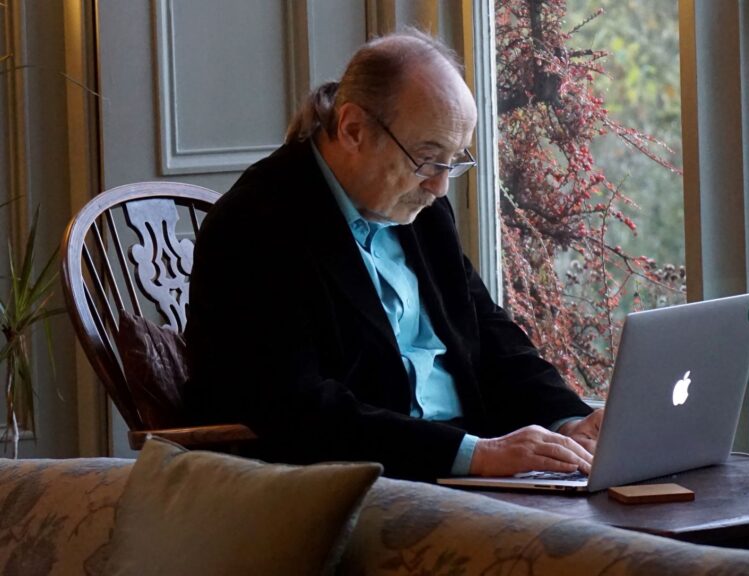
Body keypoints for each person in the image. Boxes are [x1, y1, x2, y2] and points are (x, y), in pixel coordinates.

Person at [184, 29, 604, 481]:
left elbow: (486, 331)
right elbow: (298, 410)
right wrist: (474, 455)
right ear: (353, 130)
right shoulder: (255, 225)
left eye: (453, 161)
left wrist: (570, 419)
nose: (440, 186)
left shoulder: (420, 208)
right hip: (365, 485)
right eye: (427, 158)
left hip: (470, 468)